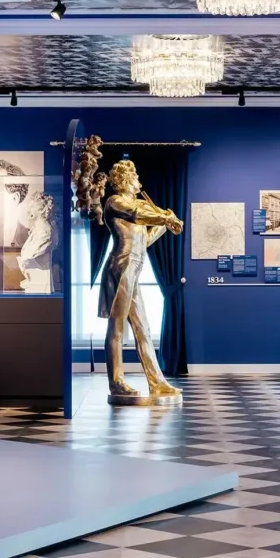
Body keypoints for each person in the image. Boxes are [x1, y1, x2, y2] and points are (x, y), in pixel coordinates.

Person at [98, 159, 183, 402]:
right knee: (117, 327)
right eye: (135, 178)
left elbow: (144, 241)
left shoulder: (138, 206)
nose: (139, 182)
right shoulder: (116, 202)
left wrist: (166, 224)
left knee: (143, 329)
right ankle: (116, 382)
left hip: (134, 267)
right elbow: (136, 214)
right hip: (121, 266)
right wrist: (164, 217)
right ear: (125, 180)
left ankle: (157, 383)